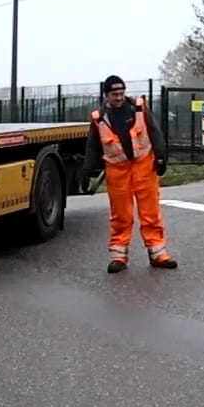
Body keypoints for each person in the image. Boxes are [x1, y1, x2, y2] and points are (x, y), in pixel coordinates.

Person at [84, 75, 174, 273]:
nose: (119, 97)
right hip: (117, 171)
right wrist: (87, 172)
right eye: (114, 94)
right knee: (120, 216)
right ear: (106, 95)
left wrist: (160, 157)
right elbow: (92, 146)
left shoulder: (139, 108)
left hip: (144, 166)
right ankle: (119, 256)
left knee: (150, 213)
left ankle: (158, 253)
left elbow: (155, 132)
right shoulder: (99, 118)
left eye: (121, 93)